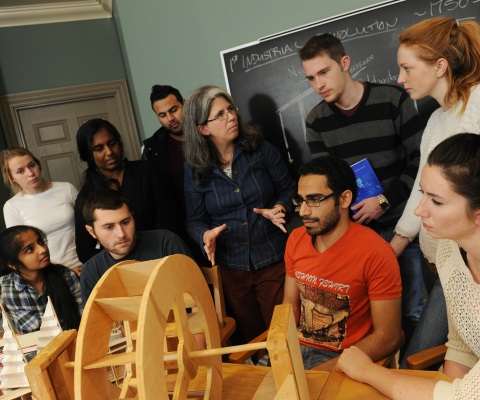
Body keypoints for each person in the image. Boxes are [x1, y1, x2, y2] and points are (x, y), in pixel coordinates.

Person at [299, 33, 425, 347]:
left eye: (324, 72)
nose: (319, 84)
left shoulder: (393, 99)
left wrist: (383, 200)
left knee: (413, 310)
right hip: (357, 236)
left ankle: (413, 380)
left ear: (344, 63)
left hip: (405, 226)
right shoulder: (316, 121)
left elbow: (422, 163)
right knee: (366, 322)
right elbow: (326, 183)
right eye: (311, 78)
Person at [338, 133, 480, 400]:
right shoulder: (450, 248)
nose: (419, 210)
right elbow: (462, 344)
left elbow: (466, 396)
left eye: (436, 201)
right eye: (422, 194)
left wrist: (368, 371)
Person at [389, 17, 480, 368]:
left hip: (463, 263)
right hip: (435, 261)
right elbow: (420, 189)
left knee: (416, 360)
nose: (400, 78)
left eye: (407, 68)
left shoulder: (476, 109)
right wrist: (397, 242)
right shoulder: (436, 121)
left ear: (440, 66)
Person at [183, 85, 296, 344]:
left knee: (283, 336)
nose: (231, 117)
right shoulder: (194, 168)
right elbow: (194, 220)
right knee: (253, 340)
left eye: (230, 109)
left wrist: (280, 209)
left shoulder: (260, 148)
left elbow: (289, 188)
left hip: (273, 258)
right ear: (203, 129)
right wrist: (205, 234)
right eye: (220, 114)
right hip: (233, 268)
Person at [283, 156, 402, 371]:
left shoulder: (377, 253)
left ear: (345, 199)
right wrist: (280, 351)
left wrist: (327, 370)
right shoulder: (295, 239)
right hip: (296, 349)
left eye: (315, 200)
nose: (303, 211)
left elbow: (389, 337)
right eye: (300, 201)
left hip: (344, 359)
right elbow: (289, 306)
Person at [74, 118, 176, 264]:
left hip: (161, 257)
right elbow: (85, 251)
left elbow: (170, 220)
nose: (109, 152)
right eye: (99, 148)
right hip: (118, 271)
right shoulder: (86, 197)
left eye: (112, 143)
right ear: (88, 155)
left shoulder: (148, 172)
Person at [80, 189, 192, 303]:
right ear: (91, 232)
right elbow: (94, 319)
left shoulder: (166, 243)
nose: (121, 234)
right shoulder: (91, 271)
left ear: (132, 217)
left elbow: (196, 299)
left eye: (125, 222)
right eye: (109, 227)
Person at [143, 84, 205, 263]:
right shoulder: (153, 148)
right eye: (162, 115)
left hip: (218, 222)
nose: (170, 118)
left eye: (174, 110)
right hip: (181, 231)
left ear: (185, 104)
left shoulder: (207, 132)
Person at [0, 147, 81, 274]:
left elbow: (90, 225)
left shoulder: (67, 189)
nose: (30, 173)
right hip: (51, 273)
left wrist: (90, 262)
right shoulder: (12, 206)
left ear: (38, 165)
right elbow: (22, 250)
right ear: (12, 178)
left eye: (32, 165)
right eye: (20, 171)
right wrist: (64, 272)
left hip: (86, 263)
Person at [0, 225, 82, 334]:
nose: (42, 249)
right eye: (30, 249)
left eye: (40, 242)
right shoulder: (4, 287)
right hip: (31, 349)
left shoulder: (66, 276)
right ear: (12, 264)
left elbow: (84, 317)